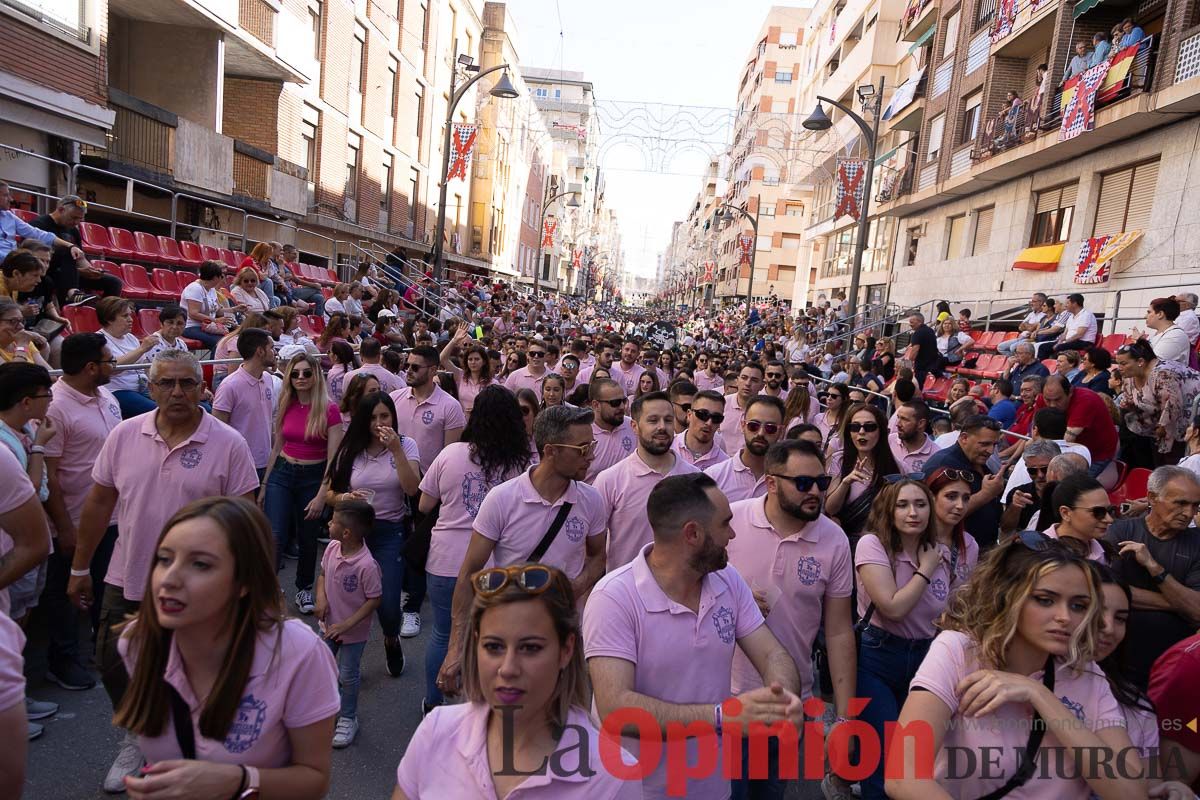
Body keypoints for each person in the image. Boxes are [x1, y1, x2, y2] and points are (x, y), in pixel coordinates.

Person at [66, 350, 259, 791]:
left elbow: (246, 517)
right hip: (129, 575)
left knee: (197, 670)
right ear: (149, 389)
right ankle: (141, 735)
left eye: (186, 383)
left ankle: (193, 745)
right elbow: (99, 503)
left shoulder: (228, 443)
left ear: (202, 388)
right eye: (167, 383)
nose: (177, 392)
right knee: (114, 662)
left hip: (203, 588)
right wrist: (80, 566)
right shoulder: (123, 435)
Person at [585, 473, 804, 799]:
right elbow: (616, 709)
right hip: (635, 790)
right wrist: (722, 718)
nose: (732, 534)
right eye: (724, 524)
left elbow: (772, 653)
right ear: (693, 534)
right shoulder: (614, 598)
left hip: (711, 786)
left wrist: (781, 699)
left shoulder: (727, 580)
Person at [887, 533, 1143, 799]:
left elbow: (1131, 793)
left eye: (1079, 605)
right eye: (1045, 600)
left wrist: (1040, 694)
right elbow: (903, 778)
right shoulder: (960, 651)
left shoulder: (1085, 672)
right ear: (1008, 595)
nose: (1065, 617)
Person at [115, 497, 339, 799]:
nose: (169, 579)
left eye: (200, 564)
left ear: (244, 582)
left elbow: (315, 781)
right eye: (164, 559)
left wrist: (239, 780)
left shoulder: (298, 653)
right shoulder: (138, 643)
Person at [392, 563, 640, 799]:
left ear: (566, 650)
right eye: (493, 646)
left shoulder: (614, 779)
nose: (508, 669)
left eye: (530, 648)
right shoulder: (436, 732)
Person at [436, 404, 607, 696]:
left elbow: (597, 557)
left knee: (563, 725)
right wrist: (455, 648)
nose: (591, 455)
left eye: (592, 445)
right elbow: (469, 573)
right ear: (550, 451)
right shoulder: (502, 499)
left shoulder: (591, 500)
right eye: (581, 448)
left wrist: (570, 590)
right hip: (506, 635)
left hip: (563, 635)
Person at [724, 439, 855, 799]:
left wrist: (844, 718)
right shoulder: (731, 521)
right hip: (725, 699)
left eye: (822, 483)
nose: (814, 491)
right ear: (770, 482)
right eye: (802, 483)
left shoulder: (834, 540)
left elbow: (840, 631)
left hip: (790, 703)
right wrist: (732, 596)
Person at [417, 385, 531, 714]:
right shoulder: (519, 466)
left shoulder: (450, 455)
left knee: (442, 632)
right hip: (494, 566)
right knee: (489, 640)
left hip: (446, 560)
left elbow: (425, 505)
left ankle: (433, 703)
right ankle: (478, 707)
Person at [854, 479, 949, 800]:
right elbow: (892, 607)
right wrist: (925, 570)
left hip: (925, 658)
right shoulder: (873, 545)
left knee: (916, 753)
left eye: (921, 505)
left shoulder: (937, 552)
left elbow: (946, 609)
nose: (913, 513)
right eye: (903, 505)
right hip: (878, 656)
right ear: (888, 509)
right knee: (882, 753)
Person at [41, 334, 121, 692]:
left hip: (111, 515)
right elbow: (50, 475)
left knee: (103, 585)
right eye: (109, 361)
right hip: (73, 519)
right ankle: (62, 659)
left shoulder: (106, 396)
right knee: (64, 594)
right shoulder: (56, 407)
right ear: (91, 368)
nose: (114, 366)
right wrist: (64, 527)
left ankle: (92, 650)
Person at [324, 390, 420, 678]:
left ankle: (391, 638)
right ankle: (340, 658)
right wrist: (343, 499)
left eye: (385, 416)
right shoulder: (351, 447)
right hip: (353, 532)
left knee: (388, 604)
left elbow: (412, 488)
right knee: (342, 599)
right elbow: (329, 492)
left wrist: (396, 451)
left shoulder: (406, 445)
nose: (379, 423)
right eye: (374, 417)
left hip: (390, 532)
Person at [391, 344, 467, 637]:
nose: (408, 371)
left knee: (419, 546)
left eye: (414, 367)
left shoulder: (449, 407)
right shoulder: (395, 399)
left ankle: (411, 607)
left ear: (433, 371)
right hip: (393, 481)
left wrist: (438, 491)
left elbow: (450, 456)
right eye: (406, 365)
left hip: (429, 489)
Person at [262, 352, 344, 617]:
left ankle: (304, 587)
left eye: (306, 373)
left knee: (308, 536)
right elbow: (277, 446)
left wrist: (323, 492)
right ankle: (270, 588)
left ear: (316, 375)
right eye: (295, 373)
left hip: (313, 476)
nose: (300, 378)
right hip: (282, 473)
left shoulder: (329, 409)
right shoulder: (285, 402)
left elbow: (334, 457)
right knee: (275, 535)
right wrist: (264, 484)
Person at [1104, 465, 1200, 685]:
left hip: (1170, 666)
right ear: (1152, 498)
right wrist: (1179, 603)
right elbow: (1108, 592)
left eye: (1195, 506)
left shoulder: (1197, 543)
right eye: (1181, 503)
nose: (1189, 513)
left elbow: (1197, 612)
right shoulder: (1119, 532)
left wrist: (1154, 567)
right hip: (1117, 655)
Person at [596, 391, 701, 570]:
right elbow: (593, 549)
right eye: (653, 420)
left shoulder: (696, 479)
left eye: (668, 420)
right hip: (627, 592)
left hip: (681, 589)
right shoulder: (610, 480)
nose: (662, 427)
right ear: (634, 426)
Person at [313, 498, 382, 748]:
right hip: (328, 626)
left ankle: (348, 718)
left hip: (353, 633)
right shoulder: (332, 548)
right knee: (325, 668)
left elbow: (374, 600)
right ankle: (328, 710)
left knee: (348, 675)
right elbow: (322, 575)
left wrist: (346, 625)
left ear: (346, 532)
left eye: (332, 521)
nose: (328, 523)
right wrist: (320, 599)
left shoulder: (366, 565)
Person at [921, 415, 1004, 549]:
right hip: (951, 553)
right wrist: (986, 494)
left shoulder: (979, 463)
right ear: (964, 438)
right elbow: (934, 511)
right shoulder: (944, 464)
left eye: (994, 444)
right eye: (984, 444)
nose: (990, 451)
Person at [825, 403, 901, 543]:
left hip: (881, 542)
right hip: (844, 542)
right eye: (854, 427)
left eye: (869, 427)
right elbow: (831, 509)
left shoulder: (897, 467)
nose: (861, 432)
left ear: (881, 431)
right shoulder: (839, 460)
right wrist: (846, 483)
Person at [30, 195, 122, 302]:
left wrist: (91, 271)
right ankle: (71, 294)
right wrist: (78, 270)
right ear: (61, 210)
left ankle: (106, 314)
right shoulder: (39, 224)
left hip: (71, 273)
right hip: (47, 270)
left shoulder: (73, 230)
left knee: (114, 283)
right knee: (68, 249)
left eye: (79, 219)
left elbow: (80, 258)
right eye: (73, 217)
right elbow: (33, 257)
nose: (76, 222)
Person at [705, 394, 786, 505]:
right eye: (753, 426)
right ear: (743, 426)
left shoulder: (787, 482)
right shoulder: (714, 476)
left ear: (781, 432)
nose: (761, 433)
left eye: (770, 428)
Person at [95, 297, 161, 418]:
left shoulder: (131, 338)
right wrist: (141, 349)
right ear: (109, 319)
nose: (131, 320)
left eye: (130, 315)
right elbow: (110, 367)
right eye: (125, 316)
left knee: (186, 405)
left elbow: (145, 365)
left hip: (143, 387)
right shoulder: (98, 340)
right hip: (118, 390)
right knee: (159, 412)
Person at [1043, 375, 1118, 478]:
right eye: (1048, 400)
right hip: (1072, 449)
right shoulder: (1044, 397)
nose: (1052, 405)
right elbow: (1037, 431)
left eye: (1057, 400)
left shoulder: (1085, 400)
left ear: (1070, 392)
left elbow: (1068, 441)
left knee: (1069, 485)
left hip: (1097, 455)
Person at [1044, 473, 1115, 563]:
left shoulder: (1106, 550)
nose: (1109, 520)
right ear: (1066, 513)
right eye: (1098, 512)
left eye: (1110, 510)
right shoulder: (1042, 555)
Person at [1000, 439, 1061, 534]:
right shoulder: (1019, 493)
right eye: (1033, 471)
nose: (1040, 475)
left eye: (1045, 469)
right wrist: (1015, 507)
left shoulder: (1070, 492)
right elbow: (1006, 529)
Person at [180, 260, 239, 352]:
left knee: (231, 339)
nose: (223, 278)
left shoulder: (211, 289)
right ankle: (215, 366)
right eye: (221, 276)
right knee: (220, 343)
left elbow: (218, 310)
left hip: (208, 326)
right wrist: (215, 320)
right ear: (215, 277)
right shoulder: (195, 288)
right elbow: (193, 314)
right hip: (192, 327)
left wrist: (235, 309)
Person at [586, 378, 636, 482]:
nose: (622, 407)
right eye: (615, 402)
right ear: (596, 405)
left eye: (623, 401)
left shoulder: (633, 426)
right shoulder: (582, 432)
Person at [673, 388, 730, 469]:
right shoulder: (669, 447)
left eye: (716, 418)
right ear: (689, 415)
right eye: (703, 414)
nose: (709, 423)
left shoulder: (724, 465)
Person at [720, 363, 766, 443]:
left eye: (754, 380)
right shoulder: (722, 403)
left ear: (762, 386)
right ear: (737, 381)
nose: (748, 383)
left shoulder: (766, 410)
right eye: (744, 378)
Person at [889, 400, 937, 474]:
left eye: (904, 419)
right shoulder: (889, 440)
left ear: (921, 423)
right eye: (898, 418)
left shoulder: (935, 455)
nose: (898, 424)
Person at [903, 313, 939, 390]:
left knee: (918, 388)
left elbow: (915, 350)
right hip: (932, 365)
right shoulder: (930, 330)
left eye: (912, 322)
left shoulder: (918, 333)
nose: (910, 324)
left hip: (922, 367)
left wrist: (908, 366)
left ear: (919, 322)